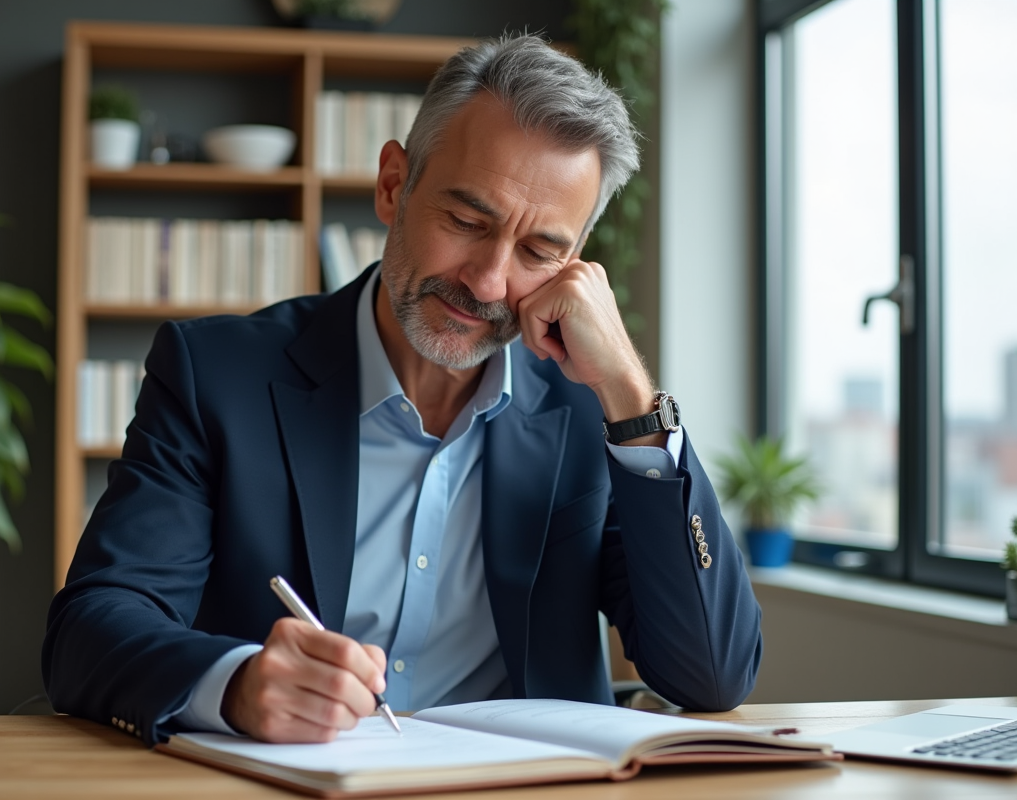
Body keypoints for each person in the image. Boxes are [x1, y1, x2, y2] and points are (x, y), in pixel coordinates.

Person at [43, 33, 762, 746]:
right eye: (465, 221)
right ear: (394, 185)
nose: (486, 282)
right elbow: (91, 628)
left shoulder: (592, 410)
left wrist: (634, 398)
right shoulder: (216, 376)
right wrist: (235, 683)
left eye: (538, 251)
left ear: (575, 264)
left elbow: (711, 675)